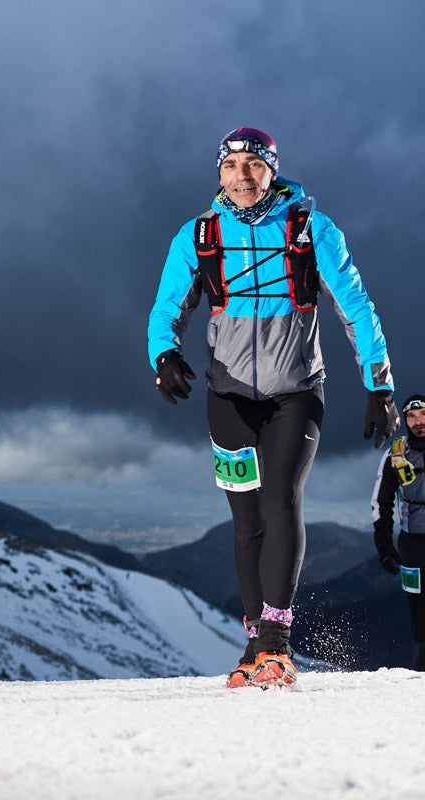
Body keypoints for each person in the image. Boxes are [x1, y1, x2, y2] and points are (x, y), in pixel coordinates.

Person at [147, 127, 398, 689]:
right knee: (246, 522)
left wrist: (379, 386)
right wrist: (162, 354)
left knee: (281, 499)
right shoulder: (198, 236)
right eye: (231, 165)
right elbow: (166, 307)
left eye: (253, 166)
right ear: (219, 172)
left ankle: (277, 646)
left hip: (296, 393)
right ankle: (254, 643)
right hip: (227, 398)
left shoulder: (311, 230)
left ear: (272, 171)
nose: (242, 176)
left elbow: (356, 307)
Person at [371, 394, 425, 670]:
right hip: (412, 545)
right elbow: (381, 502)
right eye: (412, 417)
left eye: (423, 414)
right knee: (417, 607)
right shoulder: (396, 455)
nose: (419, 422)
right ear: (405, 420)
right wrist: (384, 544)